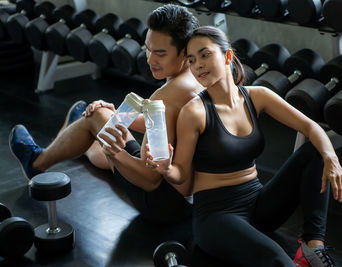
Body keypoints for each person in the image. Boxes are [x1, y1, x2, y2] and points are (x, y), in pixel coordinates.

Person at [145, 26, 342, 266]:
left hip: (257, 204)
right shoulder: (194, 112)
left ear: (228, 56)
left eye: (205, 54)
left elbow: (310, 127)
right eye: (191, 60)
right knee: (277, 260)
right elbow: (182, 175)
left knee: (316, 150)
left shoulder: (257, 96)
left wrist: (332, 160)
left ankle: (313, 248)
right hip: (217, 217)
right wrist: (166, 168)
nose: (197, 64)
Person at [9, 4, 203, 223]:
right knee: (104, 124)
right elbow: (168, 126)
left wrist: (114, 151)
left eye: (160, 53)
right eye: (148, 49)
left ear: (185, 52)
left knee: (97, 118)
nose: (150, 60)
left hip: (159, 204)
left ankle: (36, 163)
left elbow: (150, 180)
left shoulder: (167, 95)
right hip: (192, 201)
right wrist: (120, 118)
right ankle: (85, 137)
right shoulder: (201, 77)